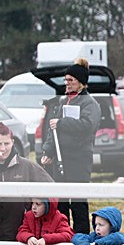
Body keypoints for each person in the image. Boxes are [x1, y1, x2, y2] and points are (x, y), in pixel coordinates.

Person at [40, 58, 101, 234]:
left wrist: (61, 122)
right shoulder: (63, 101)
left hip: (79, 160)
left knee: (79, 201)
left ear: (80, 83)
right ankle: (62, 233)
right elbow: (53, 130)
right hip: (60, 158)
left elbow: (87, 126)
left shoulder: (90, 104)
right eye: (65, 80)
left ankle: (80, 236)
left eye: (70, 80)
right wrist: (48, 150)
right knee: (61, 201)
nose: (66, 83)